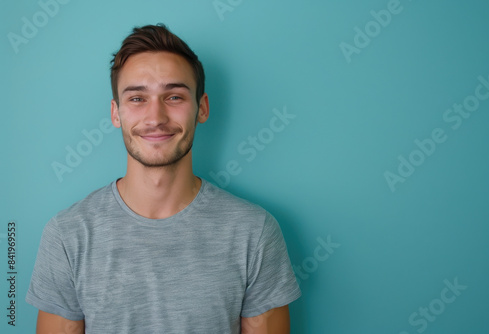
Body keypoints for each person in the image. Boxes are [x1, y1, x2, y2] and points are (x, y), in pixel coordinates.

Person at [25, 23, 301, 333]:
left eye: (174, 97)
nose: (155, 118)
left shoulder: (254, 233)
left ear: (202, 108)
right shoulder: (67, 236)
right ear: (116, 114)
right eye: (137, 99)